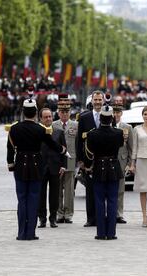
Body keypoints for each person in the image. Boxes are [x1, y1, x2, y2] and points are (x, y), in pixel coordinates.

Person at [6, 98, 66, 240]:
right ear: (35, 113)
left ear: (23, 112)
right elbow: (51, 144)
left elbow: (9, 149)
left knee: (22, 200)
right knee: (33, 199)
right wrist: (62, 150)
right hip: (35, 167)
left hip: (20, 165)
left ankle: (21, 233)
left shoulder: (14, 128)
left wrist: (11, 164)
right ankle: (30, 233)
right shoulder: (41, 130)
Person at [86, 105, 124, 240]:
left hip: (98, 167)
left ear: (100, 118)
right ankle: (111, 232)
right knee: (113, 201)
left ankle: (101, 232)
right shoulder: (119, 133)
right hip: (113, 167)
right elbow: (120, 145)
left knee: (99, 201)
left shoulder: (92, 134)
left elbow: (90, 149)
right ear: (112, 118)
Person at [77, 91, 104, 227]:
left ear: (103, 101)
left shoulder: (108, 115)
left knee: (103, 190)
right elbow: (79, 141)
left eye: (100, 100)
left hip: (105, 159)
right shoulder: (84, 117)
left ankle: (101, 217)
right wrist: (80, 160)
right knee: (90, 190)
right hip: (88, 160)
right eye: (96, 100)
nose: (98, 102)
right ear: (91, 101)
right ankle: (91, 218)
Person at [38, 108, 67, 228]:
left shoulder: (59, 132)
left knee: (55, 195)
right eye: (46, 117)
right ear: (41, 118)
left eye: (50, 116)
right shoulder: (37, 132)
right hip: (41, 168)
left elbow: (64, 150)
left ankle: (53, 218)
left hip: (55, 167)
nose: (48, 119)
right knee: (41, 194)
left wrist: (64, 166)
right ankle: (42, 219)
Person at [52, 94, 78, 224]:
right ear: (58, 112)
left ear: (70, 112)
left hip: (71, 158)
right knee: (57, 188)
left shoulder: (75, 125)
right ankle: (59, 212)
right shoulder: (53, 125)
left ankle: (68, 214)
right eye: (62, 112)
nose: (64, 114)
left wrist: (79, 160)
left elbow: (78, 143)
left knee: (69, 189)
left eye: (67, 111)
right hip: (56, 160)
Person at [113, 104, 133, 224]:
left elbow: (131, 147)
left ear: (121, 113)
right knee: (109, 188)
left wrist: (130, 163)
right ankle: (109, 212)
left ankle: (119, 214)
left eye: (118, 112)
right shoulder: (107, 125)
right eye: (114, 112)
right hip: (110, 160)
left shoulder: (127, 127)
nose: (116, 115)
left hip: (122, 160)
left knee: (120, 189)